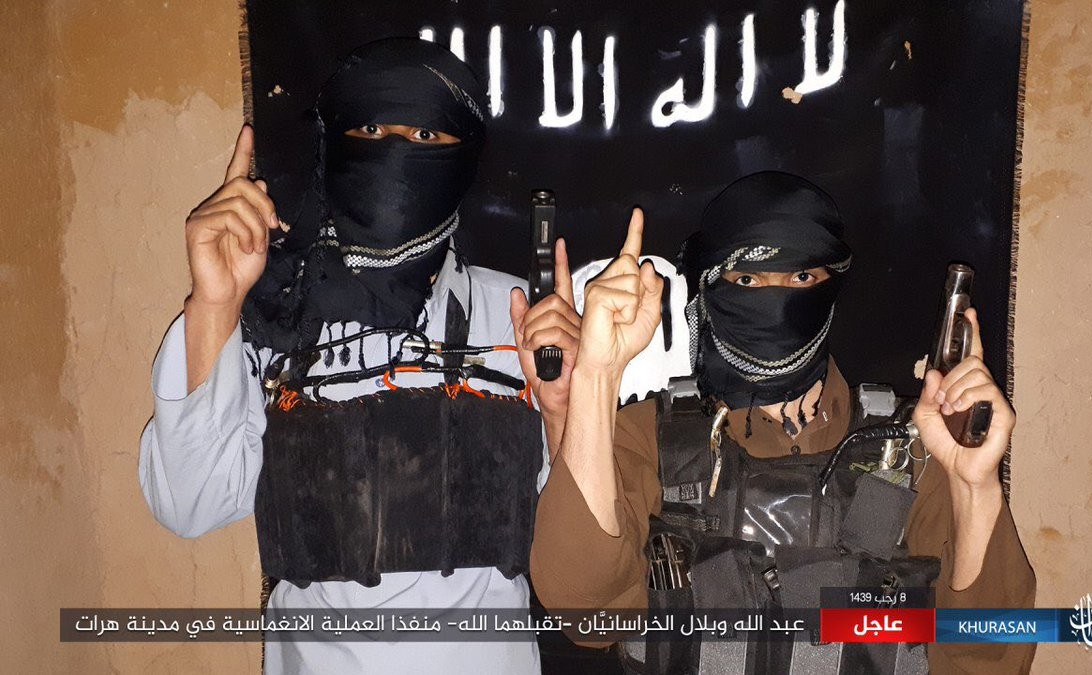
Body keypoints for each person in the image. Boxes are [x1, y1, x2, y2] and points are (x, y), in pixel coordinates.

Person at [139, 38, 581, 673]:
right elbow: (191, 505)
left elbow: (574, 547)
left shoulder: (518, 319)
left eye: (425, 135)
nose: (396, 151)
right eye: (371, 129)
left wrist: (567, 408)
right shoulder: (274, 317)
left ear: (463, 159)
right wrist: (215, 304)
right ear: (333, 145)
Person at [528, 172, 1036, 673]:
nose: (777, 297)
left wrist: (974, 484)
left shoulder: (914, 447)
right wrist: (598, 374)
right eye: (748, 279)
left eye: (801, 278)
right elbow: (586, 613)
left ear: (832, 286)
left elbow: (990, 660)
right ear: (709, 288)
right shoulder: (648, 436)